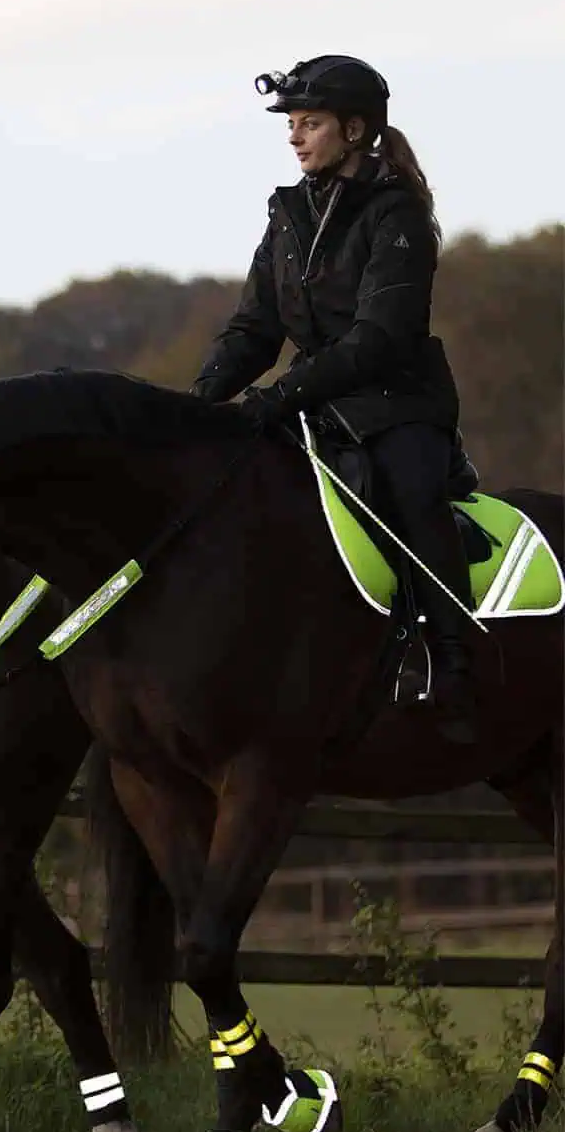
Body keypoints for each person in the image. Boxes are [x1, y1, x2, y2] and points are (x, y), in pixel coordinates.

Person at [191, 55, 476, 742]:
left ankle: (458, 663)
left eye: (309, 123)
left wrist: (278, 397)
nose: (294, 137)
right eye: (291, 124)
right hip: (314, 408)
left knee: (409, 494)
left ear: (354, 130)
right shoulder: (288, 212)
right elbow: (255, 328)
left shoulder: (397, 212)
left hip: (396, 405)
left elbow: (379, 336)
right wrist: (196, 406)